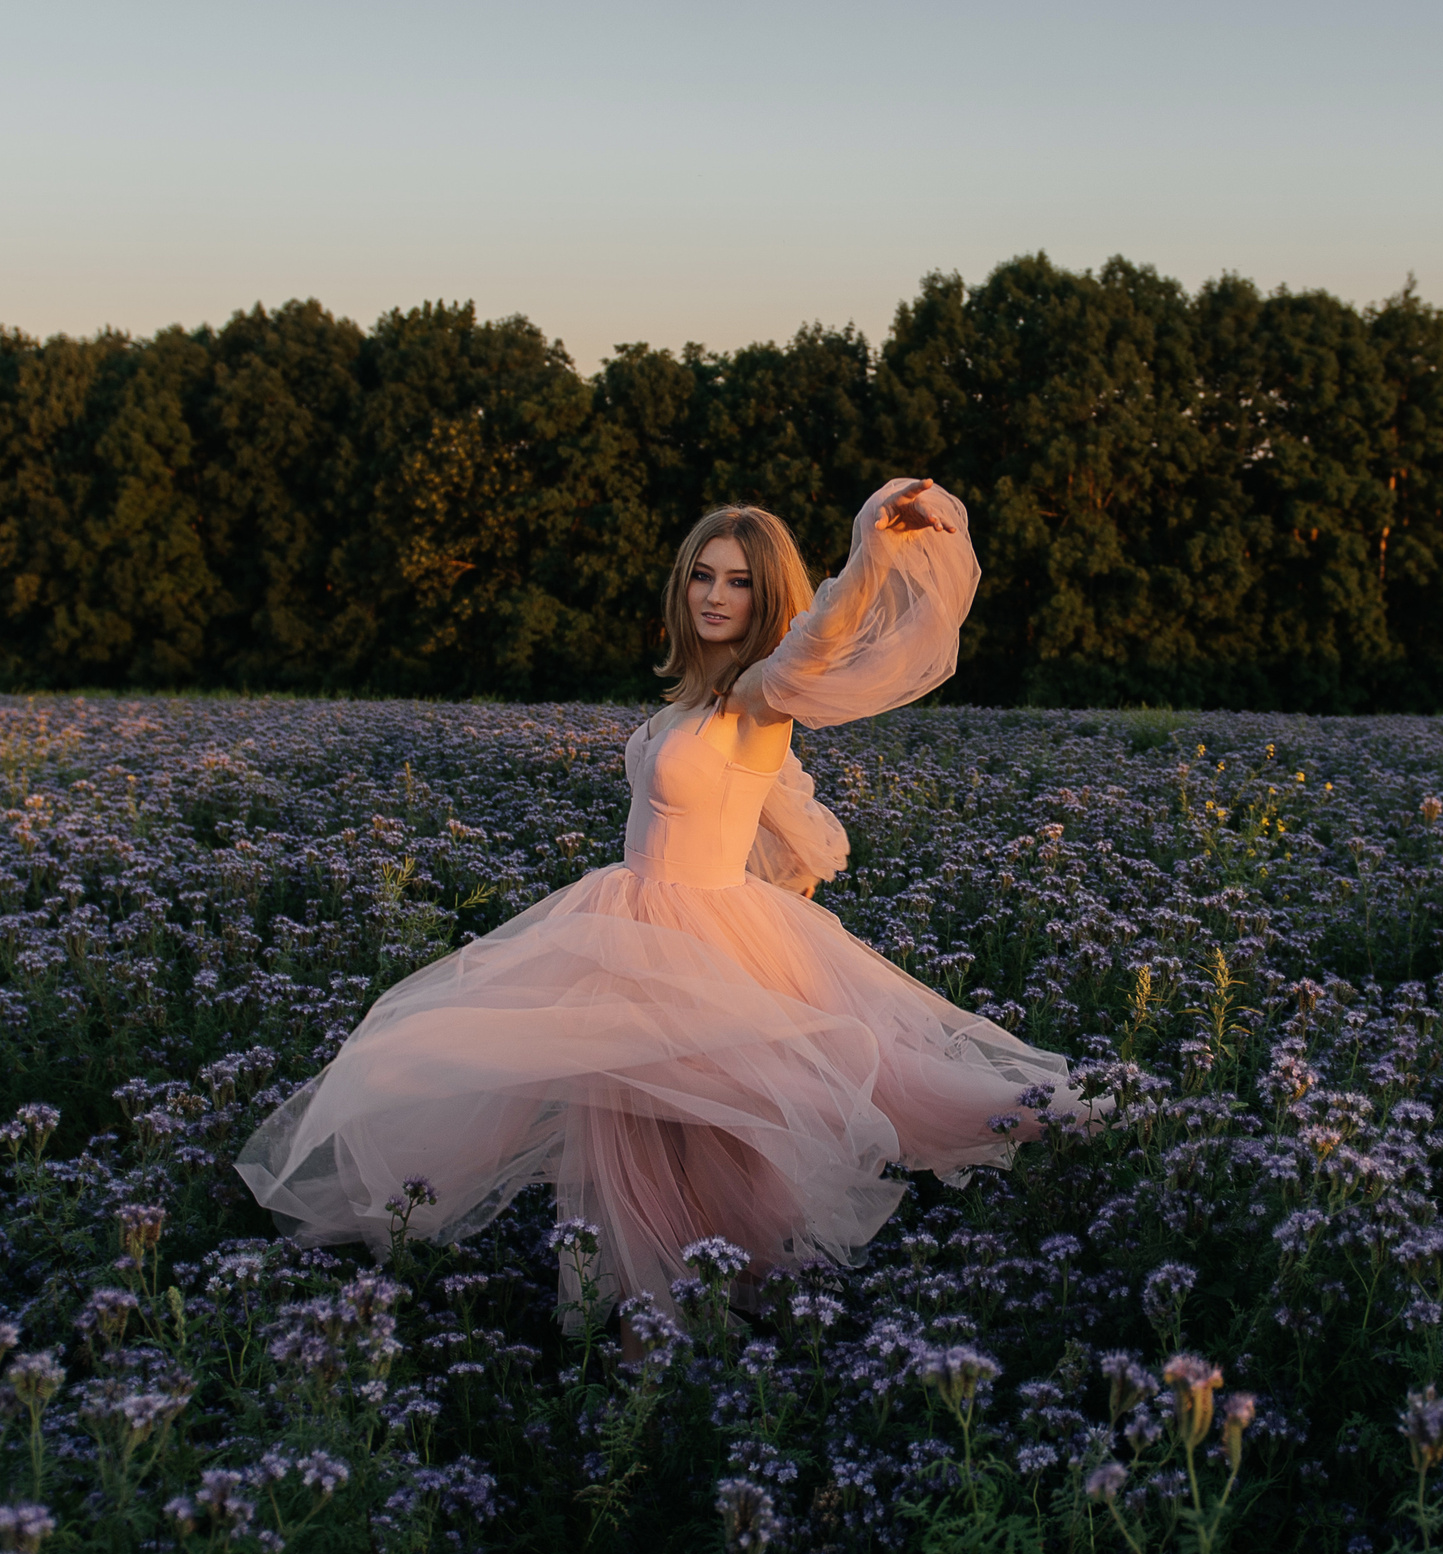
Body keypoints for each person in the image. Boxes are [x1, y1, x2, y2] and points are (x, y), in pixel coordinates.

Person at [236, 480, 1087, 1335]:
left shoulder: (760, 697)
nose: (717, 595)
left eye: (740, 581)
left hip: (697, 937)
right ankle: (661, 1318)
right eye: (703, 576)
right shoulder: (688, 700)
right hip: (626, 929)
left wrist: (871, 552)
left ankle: (1084, 1122)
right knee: (639, 1132)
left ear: (767, 597)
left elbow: (820, 636)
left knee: (867, 1096)